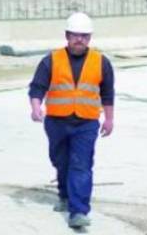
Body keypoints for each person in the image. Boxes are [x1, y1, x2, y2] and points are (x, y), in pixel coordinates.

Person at [28, 12, 115, 230]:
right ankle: (65, 195)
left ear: (90, 38)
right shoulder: (51, 60)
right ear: (67, 36)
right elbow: (37, 87)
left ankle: (78, 211)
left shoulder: (101, 62)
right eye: (76, 35)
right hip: (57, 121)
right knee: (61, 160)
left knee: (81, 164)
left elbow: (107, 93)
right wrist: (36, 108)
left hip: (86, 122)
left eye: (85, 36)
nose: (80, 40)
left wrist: (109, 119)